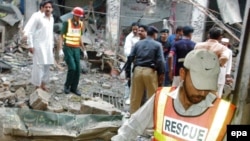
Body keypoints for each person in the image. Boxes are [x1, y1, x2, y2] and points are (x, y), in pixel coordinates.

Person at [111, 49, 235, 141]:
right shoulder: (162, 99)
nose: (202, 93)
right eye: (198, 85)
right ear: (182, 74)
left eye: (207, 87)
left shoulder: (222, 113)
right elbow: (132, 127)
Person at [125, 26, 165, 114]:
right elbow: (160, 61)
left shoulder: (138, 44)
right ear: (154, 34)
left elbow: (130, 57)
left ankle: (133, 118)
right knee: (152, 97)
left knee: (135, 97)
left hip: (137, 71)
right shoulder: (157, 45)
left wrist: (127, 73)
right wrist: (161, 73)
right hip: (150, 72)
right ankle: (151, 119)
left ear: (147, 33)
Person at [23, 0, 54, 92]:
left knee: (47, 66)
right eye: (46, 7)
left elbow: (50, 34)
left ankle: (43, 85)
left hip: (48, 46)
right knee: (38, 66)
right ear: (43, 8)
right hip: (39, 46)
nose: (48, 9)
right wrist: (30, 45)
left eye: (49, 7)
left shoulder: (51, 19)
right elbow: (30, 31)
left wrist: (52, 46)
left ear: (52, 9)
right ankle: (37, 86)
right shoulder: (38, 17)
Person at [59, 7, 88, 96]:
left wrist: (84, 50)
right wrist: (60, 49)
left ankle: (74, 88)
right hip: (68, 48)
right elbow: (61, 37)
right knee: (72, 67)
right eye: (77, 16)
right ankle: (67, 86)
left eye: (80, 17)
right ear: (73, 15)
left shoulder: (81, 24)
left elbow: (79, 38)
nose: (78, 18)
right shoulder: (66, 23)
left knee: (78, 69)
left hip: (76, 49)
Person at [194, 27, 230, 96]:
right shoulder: (223, 48)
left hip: (198, 75)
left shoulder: (198, 45)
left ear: (208, 35)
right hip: (212, 77)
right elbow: (225, 57)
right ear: (220, 37)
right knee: (212, 98)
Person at [123, 22, 140, 102]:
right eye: (133, 29)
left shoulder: (141, 36)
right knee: (130, 79)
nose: (135, 31)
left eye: (136, 29)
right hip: (131, 61)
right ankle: (128, 97)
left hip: (140, 61)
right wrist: (133, 56)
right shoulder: (129, 37)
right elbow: (127, 50)